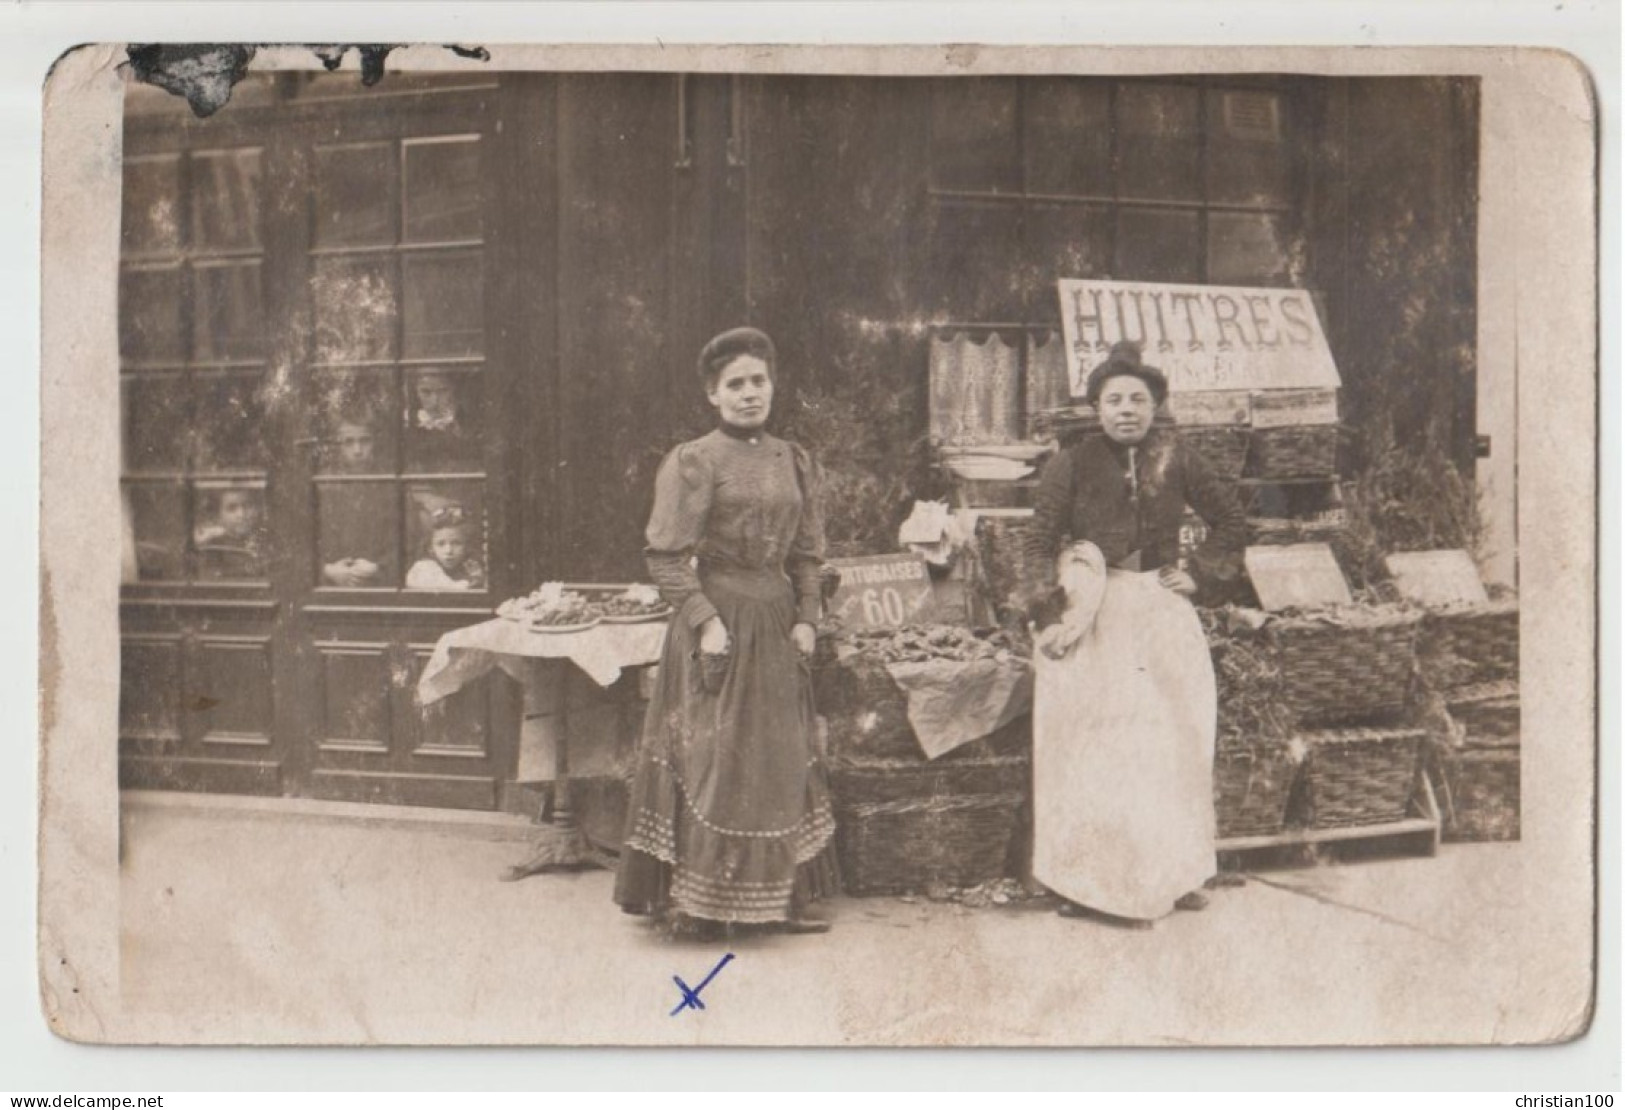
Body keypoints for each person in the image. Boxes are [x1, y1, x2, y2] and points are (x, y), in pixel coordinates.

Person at [614, 326, 837, 938]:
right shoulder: (696, 461)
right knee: (717, 759)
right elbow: (663, 558)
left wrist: (808, 618)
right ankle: (702, 905)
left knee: (778, 759)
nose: (748, 394)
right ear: (713, 395)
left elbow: (808, 553)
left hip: (776, 621)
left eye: (758, 381)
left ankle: (776, 900)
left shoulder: (794, 459)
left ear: (773, 385)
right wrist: (706, 622)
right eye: (734, 384)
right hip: (718, 622)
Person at [1021, 340, 1248, 928]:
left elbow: (1231, 520)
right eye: (1114, 399)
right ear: (1097, 406)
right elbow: (1039, 542)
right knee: (1095, 747)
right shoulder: (1071, 463)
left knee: (1173, 741)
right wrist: (1048, 615)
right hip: (1093, 612)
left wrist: (1198, 575)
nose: (1127, 410)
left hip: (1159, 610)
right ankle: (1084, 881)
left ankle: (1176, 871)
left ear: (1154, 407)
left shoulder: (1178, 455)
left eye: (1138, 400)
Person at [319, 416, 397, 588]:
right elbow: (299, 544)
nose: (357, 450)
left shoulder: (391, 483)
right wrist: (327, 570)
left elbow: (410, 540)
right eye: (348, 442)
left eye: (365, 441)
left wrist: (379, 567)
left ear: (375, 443)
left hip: (380, 586)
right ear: (337, 445)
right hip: (328, 587)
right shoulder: (321, 484)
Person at [194, 486, 266, 580]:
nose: (241, 514)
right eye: (232, 508)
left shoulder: (265, 540)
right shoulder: (213, 548)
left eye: (248, 505)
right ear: (218, 516)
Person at [405, 513, 486, 591]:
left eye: (456, 543)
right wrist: (476, 580)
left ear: (467, 546)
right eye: (441, 544)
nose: (449, 551)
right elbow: (452, 589)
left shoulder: (470, 567)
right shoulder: (424, 568)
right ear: (431, 548)